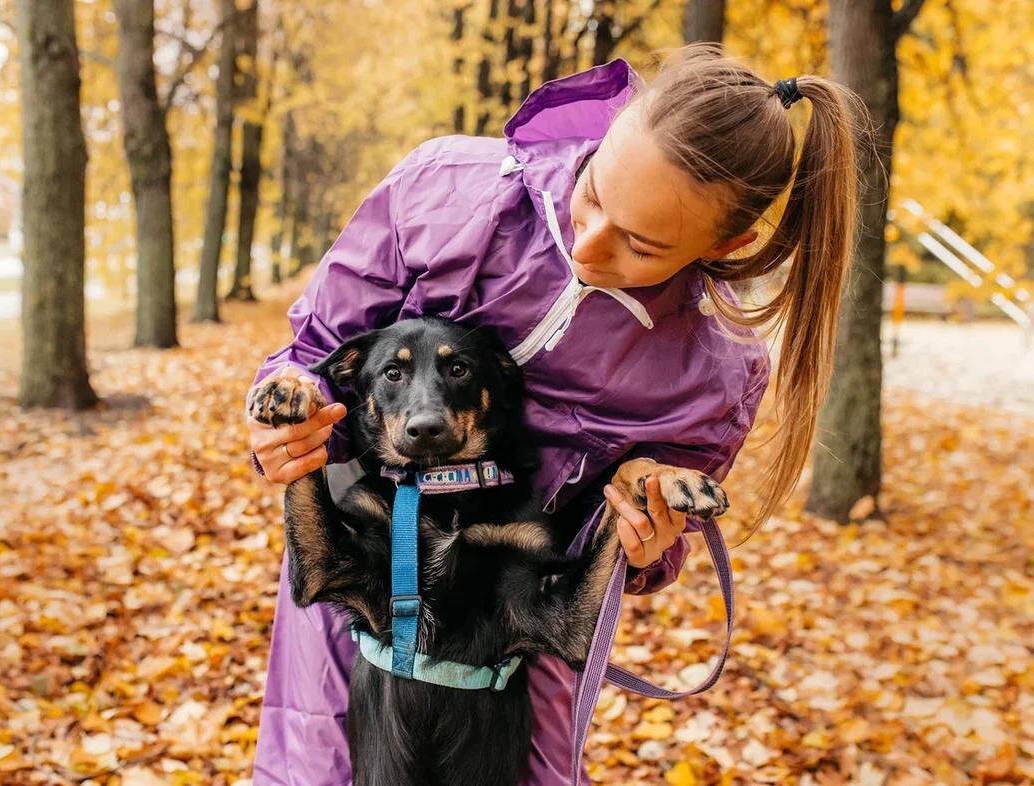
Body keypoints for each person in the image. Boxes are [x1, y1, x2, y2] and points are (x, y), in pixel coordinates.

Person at [246, 44, 861, 786]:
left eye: (640, 244)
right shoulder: (445, 190)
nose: (588, 243)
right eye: (594, 192)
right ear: (606, 133)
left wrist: (646, 527)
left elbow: (652, 550)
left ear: (726, 245)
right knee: (318, 765)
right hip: (368, 545)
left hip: (518, 619)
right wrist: (288, 414)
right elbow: (315, 352)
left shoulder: (715, 367)